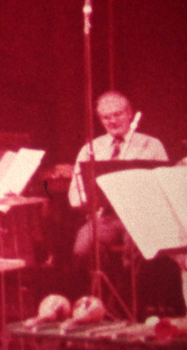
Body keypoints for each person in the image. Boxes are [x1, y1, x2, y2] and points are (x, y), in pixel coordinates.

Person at [68, 91, 168, 258]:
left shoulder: (151, 144)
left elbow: (164, 188)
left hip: (142, 217)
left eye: (117, 114)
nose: (113, 121)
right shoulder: (90, 149)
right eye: (106, 117)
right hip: (106, 217)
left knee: (140, 248)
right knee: (83, 247)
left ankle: (132, 275)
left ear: (129, 113)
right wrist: (90, 201)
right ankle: (106, 276)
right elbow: (75, 194)